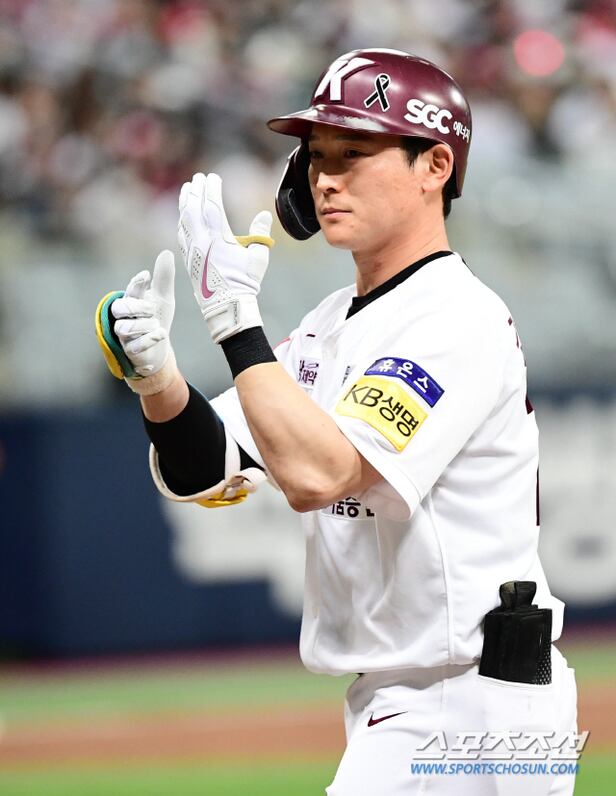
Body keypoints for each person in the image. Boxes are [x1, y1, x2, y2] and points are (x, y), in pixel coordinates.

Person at [96, 49, 578, 795]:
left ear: (436, 166)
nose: (325, 178)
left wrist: (235, 322)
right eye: (317, 155)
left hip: (471, 700)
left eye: (355, 152)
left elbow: (320, 474)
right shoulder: (330, 325)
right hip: (419, 700)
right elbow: (206, 466)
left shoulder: (455, 315)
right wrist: (158, 379)